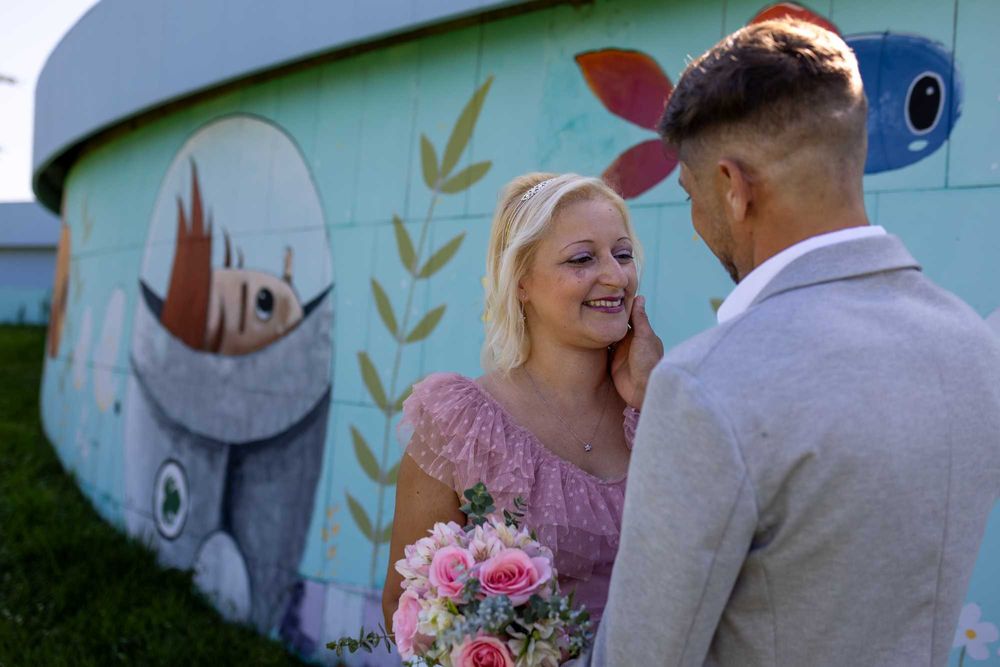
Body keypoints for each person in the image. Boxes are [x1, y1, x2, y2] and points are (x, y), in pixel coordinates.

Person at [587, 18, 1000, 666]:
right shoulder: (974, 348)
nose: (696, 224)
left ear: (733, 186)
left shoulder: (705, 387)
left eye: (691, 193)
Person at [381, 172, 663, 629]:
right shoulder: (460, 425)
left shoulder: (665, 406)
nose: (615, 276)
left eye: (623, 254)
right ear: (521, 282)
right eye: (583, 259)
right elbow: (406, 605)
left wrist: (656, 396)